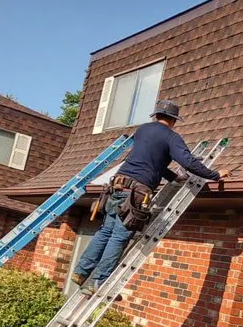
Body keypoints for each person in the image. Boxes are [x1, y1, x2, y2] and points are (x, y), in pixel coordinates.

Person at [72, 99, 228, 294]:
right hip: (136, 193)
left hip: (117, 186)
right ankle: (99, 282)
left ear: (156, 115)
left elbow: (153, 162)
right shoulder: (172, 137)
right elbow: (187, 161)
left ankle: (80, 272)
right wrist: (215, 174)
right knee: (120, 237)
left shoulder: (143, 130)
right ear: (173, 120)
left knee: (105, 232)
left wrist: (173, 178)